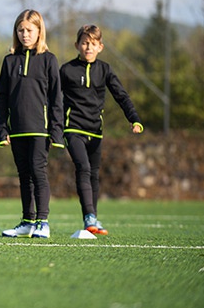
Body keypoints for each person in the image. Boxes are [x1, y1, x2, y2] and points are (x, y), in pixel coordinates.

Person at [60, 25, 143, 235]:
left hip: (95, 131)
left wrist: (134, 119)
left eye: (93, 44)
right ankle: (89, 216)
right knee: (83, 168)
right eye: (85, 43)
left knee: (94, 175)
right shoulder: (66, 70)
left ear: (100, 47)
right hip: (73, 129)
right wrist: (53, 127)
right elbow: (51, 98)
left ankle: (93, 220)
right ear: (77, 45)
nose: (89, 47)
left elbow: (121, 96)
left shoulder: (105, 70)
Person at [0, 9, 64, 239]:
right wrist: (2, 128)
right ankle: (27, 221)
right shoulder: (9, 61)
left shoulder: (48, 60)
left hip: (40, 129)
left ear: (39, 32)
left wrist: (56, 130)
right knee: (24, 175)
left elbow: (56, 98)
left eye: (29, 30)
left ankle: (42, 222)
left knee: (38, 172)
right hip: (17, 130)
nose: (25, 34)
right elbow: (2, 97)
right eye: (20, 30)